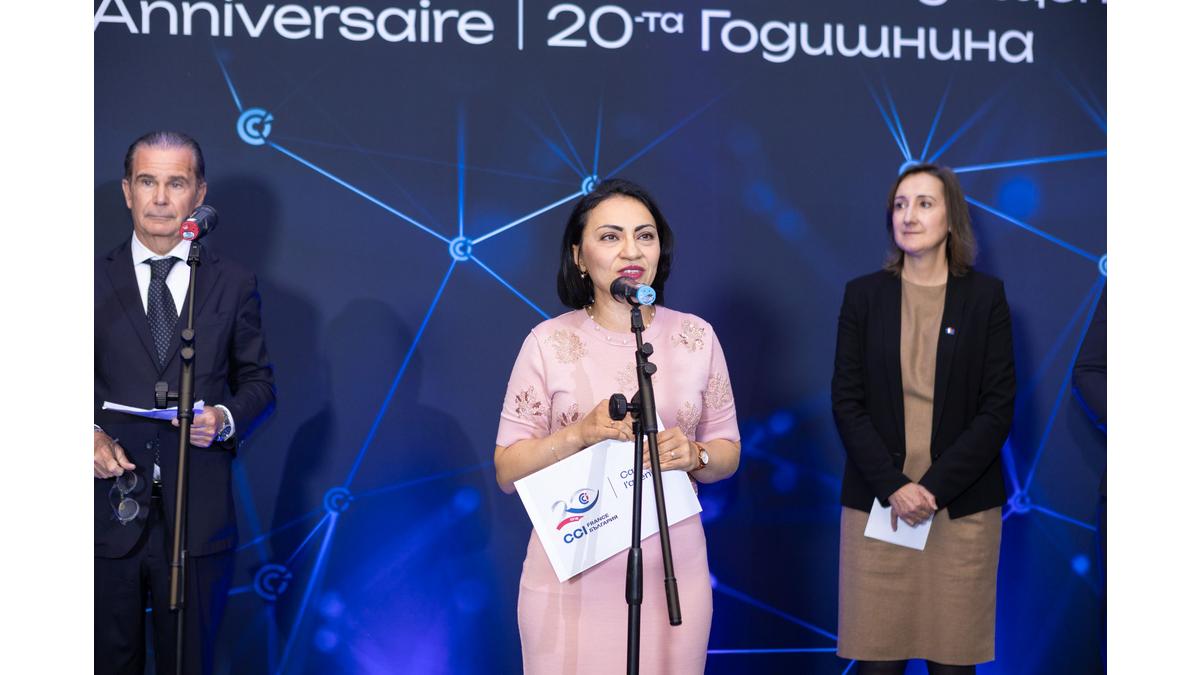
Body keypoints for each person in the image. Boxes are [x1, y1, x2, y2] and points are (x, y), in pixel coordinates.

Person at [493, 178, 740, 674]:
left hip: (673, 572)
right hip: (572, 573)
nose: (631, 250)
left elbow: (727, 451)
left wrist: (695, 455)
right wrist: (578, 434)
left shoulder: (695, 337)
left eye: (645, 236)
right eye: (610, 236)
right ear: (579, 257)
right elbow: (506, 471)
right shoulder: (547, 342)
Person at [94, 131, 276, 675]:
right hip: (104, 516)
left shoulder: (232, 283)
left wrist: (224, 419)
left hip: (197, 518)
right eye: (147, 181)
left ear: (199, 194)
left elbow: (259, 384)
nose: (159, 198)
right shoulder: (85, 280)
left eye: (175, 183)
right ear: (127, 190)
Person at [831, 163, 1015, 675]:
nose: (909, 216)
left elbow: (997, 408)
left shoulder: (985, 298)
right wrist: (895, 487)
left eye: (925, 203)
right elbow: (846, 402)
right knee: (877, 665)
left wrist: (930, 490)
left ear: (951, 219)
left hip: (959, 511)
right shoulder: (863, 296)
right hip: (880, 506)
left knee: (953, 665)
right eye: (900, 204)